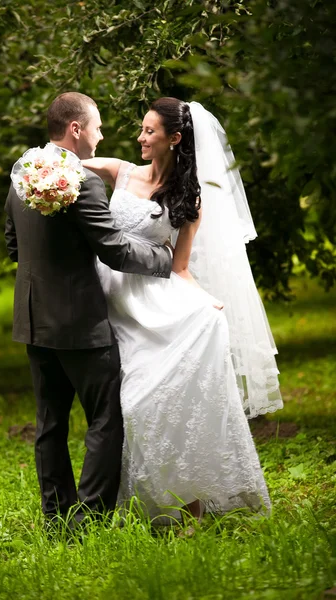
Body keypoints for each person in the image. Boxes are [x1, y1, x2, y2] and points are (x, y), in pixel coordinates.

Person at [82, 97, 282, 523]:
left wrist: (204, 301)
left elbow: (181, 268)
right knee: (134, 404)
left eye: (149, 132)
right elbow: (69, 165)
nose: (140, 137)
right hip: (110, 299)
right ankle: (153, 506)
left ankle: (187, 507)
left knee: (151, 400)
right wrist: (40, 167)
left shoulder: (188, 199)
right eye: (142, 129)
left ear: (174, 139)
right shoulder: (120, 171)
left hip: (151, 304)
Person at [4, 92, 173, 528]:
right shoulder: (81, 180)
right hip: (80, 321)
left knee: (50, 423)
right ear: (76, 129)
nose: (100, 137)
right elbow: (115, 251)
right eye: (96, 127)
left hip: (33, 316)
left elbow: (12, 244)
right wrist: (165, 259)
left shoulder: (22, 172)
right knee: (105, 417)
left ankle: (56, 519)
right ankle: (90, 518)